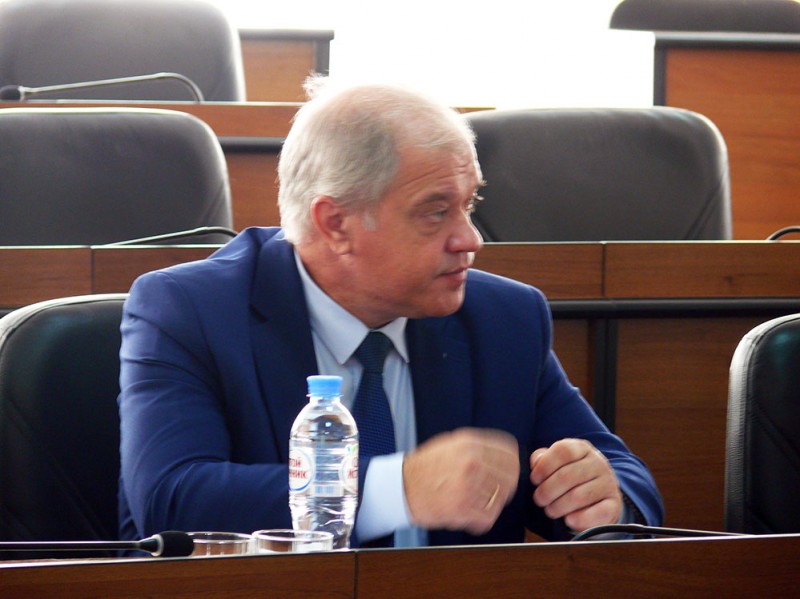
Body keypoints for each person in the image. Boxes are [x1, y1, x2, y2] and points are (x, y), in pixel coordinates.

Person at [118, 77, 663, 547]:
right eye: (435, 211)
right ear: (335, 224)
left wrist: (604, 499)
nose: (470, 239)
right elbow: (171, 501)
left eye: (469, 204)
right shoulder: (190, 311)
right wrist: (397, 489)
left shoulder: (505, 318)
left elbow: (626, 481)